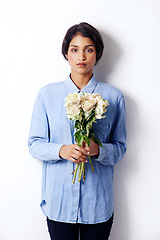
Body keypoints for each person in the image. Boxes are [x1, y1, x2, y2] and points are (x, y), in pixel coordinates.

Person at [28, 22, 127, 240]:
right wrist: (61, 150)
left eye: (88, 49)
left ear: (97, 54)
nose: (81, 56)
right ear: (66, 53)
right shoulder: (47, 95)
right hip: (59, 203)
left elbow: (120, 148)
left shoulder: (114, 97)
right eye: (75, 49)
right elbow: (34, 144)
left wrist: (98, 150)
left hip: (97, 205)